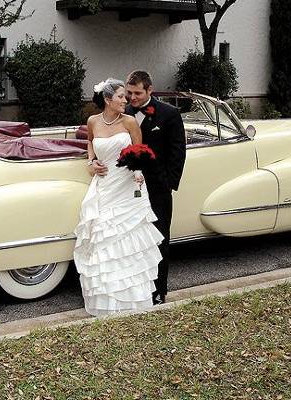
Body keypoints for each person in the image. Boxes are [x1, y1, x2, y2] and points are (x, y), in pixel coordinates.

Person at [73, 78, 164, 316]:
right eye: (121, 96)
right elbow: (91, 145)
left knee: (128, 238)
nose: (127, 100)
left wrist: (138, 171)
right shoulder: (93, 121)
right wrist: (92, 163)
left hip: (127, 187)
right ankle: (106, 302)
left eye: (127, 96)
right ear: (107, 99)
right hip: (104, 185)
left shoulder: (131, 122)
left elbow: (140, 150)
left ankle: (133, 301)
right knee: (103, 238)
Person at [124, 70, 186, 305]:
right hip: (129, 188)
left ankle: (159, 290)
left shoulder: (169, 114)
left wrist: (168, 183)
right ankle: (136, 289)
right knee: (133, 238)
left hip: (159, 188)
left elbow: (178, 151)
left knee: (159, 237)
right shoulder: (124, 112)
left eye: (137, 93)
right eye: (129, 93)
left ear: (150, 90)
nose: (132, 98)